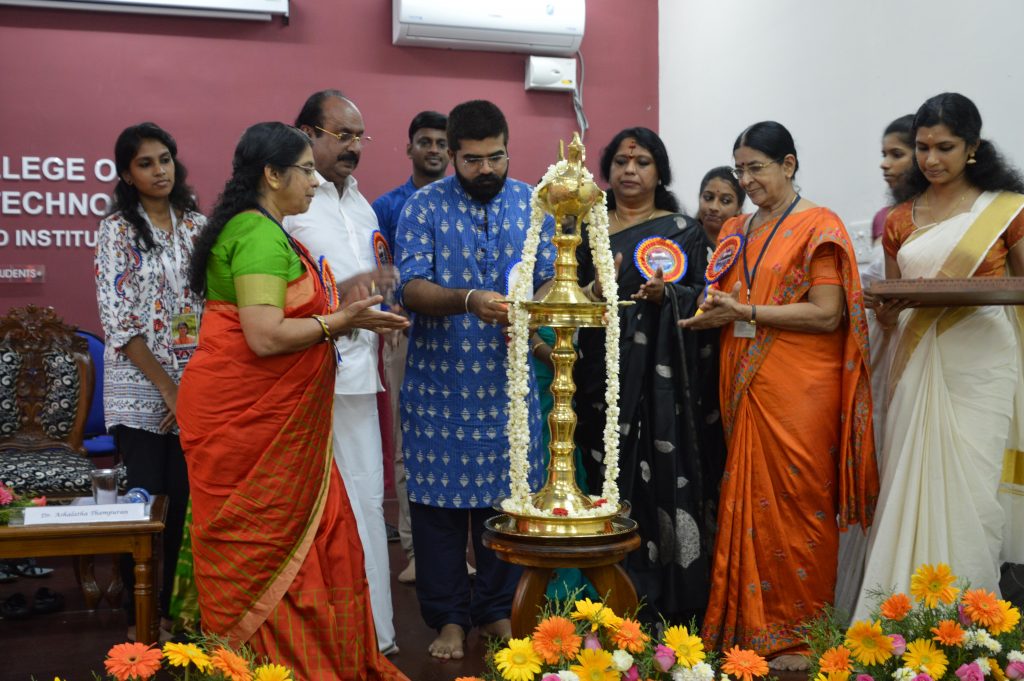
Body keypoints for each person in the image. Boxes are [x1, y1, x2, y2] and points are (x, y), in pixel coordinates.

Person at [177, 122, 409, 681]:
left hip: (274, 420)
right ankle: (275, 667)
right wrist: (341, 322)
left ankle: (297, 662)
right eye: (305, 170)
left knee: (315, 540)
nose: (315, 180)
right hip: (248, 422)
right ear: (272, 174)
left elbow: (294, 315)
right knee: (269, 549)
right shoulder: (257, 235)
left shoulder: (269, 231)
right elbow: (263, 337)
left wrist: (350, 315)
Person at [679, 121, 878, 670]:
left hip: (799, 385)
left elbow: (828, 313)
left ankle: (799, 634)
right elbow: (721, 293)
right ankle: (746, 625)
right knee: (747, 497)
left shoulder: (818, 225)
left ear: (788, 165)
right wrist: (707, 312)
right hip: (742, 376)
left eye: (756, 168)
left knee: (799, 499)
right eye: (739, 169)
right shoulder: (736, 228)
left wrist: (745, 312)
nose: (745, 180)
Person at [395, 99, 555, 659]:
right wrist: (467, 300)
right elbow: (410, 287)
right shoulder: (423, 206)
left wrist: (529, 309)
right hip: (439, 388)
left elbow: (548, 277)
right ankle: (448, 620)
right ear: (452, 155)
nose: (486, 169)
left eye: (496, 157)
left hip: (509, 388)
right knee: (438, 511)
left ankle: (495, 611)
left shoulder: (535, 204)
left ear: (508, 148)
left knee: (508, 505)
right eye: (473, 160)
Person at [854, 93, 1024, 619]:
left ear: (972, 147)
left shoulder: (1007, 210)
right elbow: (894, 305)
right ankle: (901, 619)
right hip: (916, 357)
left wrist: (974, 292)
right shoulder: (899, 219)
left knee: (973, 488)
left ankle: (970, 622)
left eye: (945, 147)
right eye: (922, 147)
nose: (930, 159)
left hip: (982, 356)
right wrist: (883, 311)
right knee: (912, 481)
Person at [573, 128, 721, 627]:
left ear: (660, 173)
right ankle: (602, 596)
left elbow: (705, 297)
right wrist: (594, 291)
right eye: (620, 162)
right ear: (608, 171)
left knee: (660, 478)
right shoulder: (588, 228)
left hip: (661, 387)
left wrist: (669, 296)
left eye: (641, 162)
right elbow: (565, 293)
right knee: (603, 476)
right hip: (599, 375)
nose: (630, 170)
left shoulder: (683, 230)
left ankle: (664, 600)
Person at [285, 89, 399, 656]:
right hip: (301, 377)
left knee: (366, 501)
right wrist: (345, 300)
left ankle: (375, 633)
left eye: (360, 136)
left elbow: (367, 281)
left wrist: (380, 300)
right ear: (307, 134)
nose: (354, 146)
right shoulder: (288, 204)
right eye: (343, 135)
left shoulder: (364, 206)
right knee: (309, 509)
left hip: (357, 378)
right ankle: (316, 638)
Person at [94, 121, 203, 640]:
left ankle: (171, 611)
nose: (160, 171)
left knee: (182, 504)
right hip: (140, 388)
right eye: (145, 163)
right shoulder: (116, 230)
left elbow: (211, 309)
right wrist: (168, 389)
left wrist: (190, 389)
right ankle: (136, 616)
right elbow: (120, 323)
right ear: (126, 175)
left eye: (165, 159)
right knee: (144, 504)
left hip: (192, 386)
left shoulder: (199, 227)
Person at [833, 114, 914, 619]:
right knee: (883, 453)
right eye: (884, 154)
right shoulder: (890, 219)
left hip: (928, 345)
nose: (885, 165)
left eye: (896, 154)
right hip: (887, 343)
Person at [372, 109, 450, 586]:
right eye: (425, 141)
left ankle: (452, 554)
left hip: (460, 336)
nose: (434, 150)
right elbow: (380, 268)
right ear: (409, 148)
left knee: (452, 441)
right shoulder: (387, 206)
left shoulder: (462, 201)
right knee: (409, 443)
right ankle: (416, 550)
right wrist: (390, 315)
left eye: (442, 142)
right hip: (406, 332)